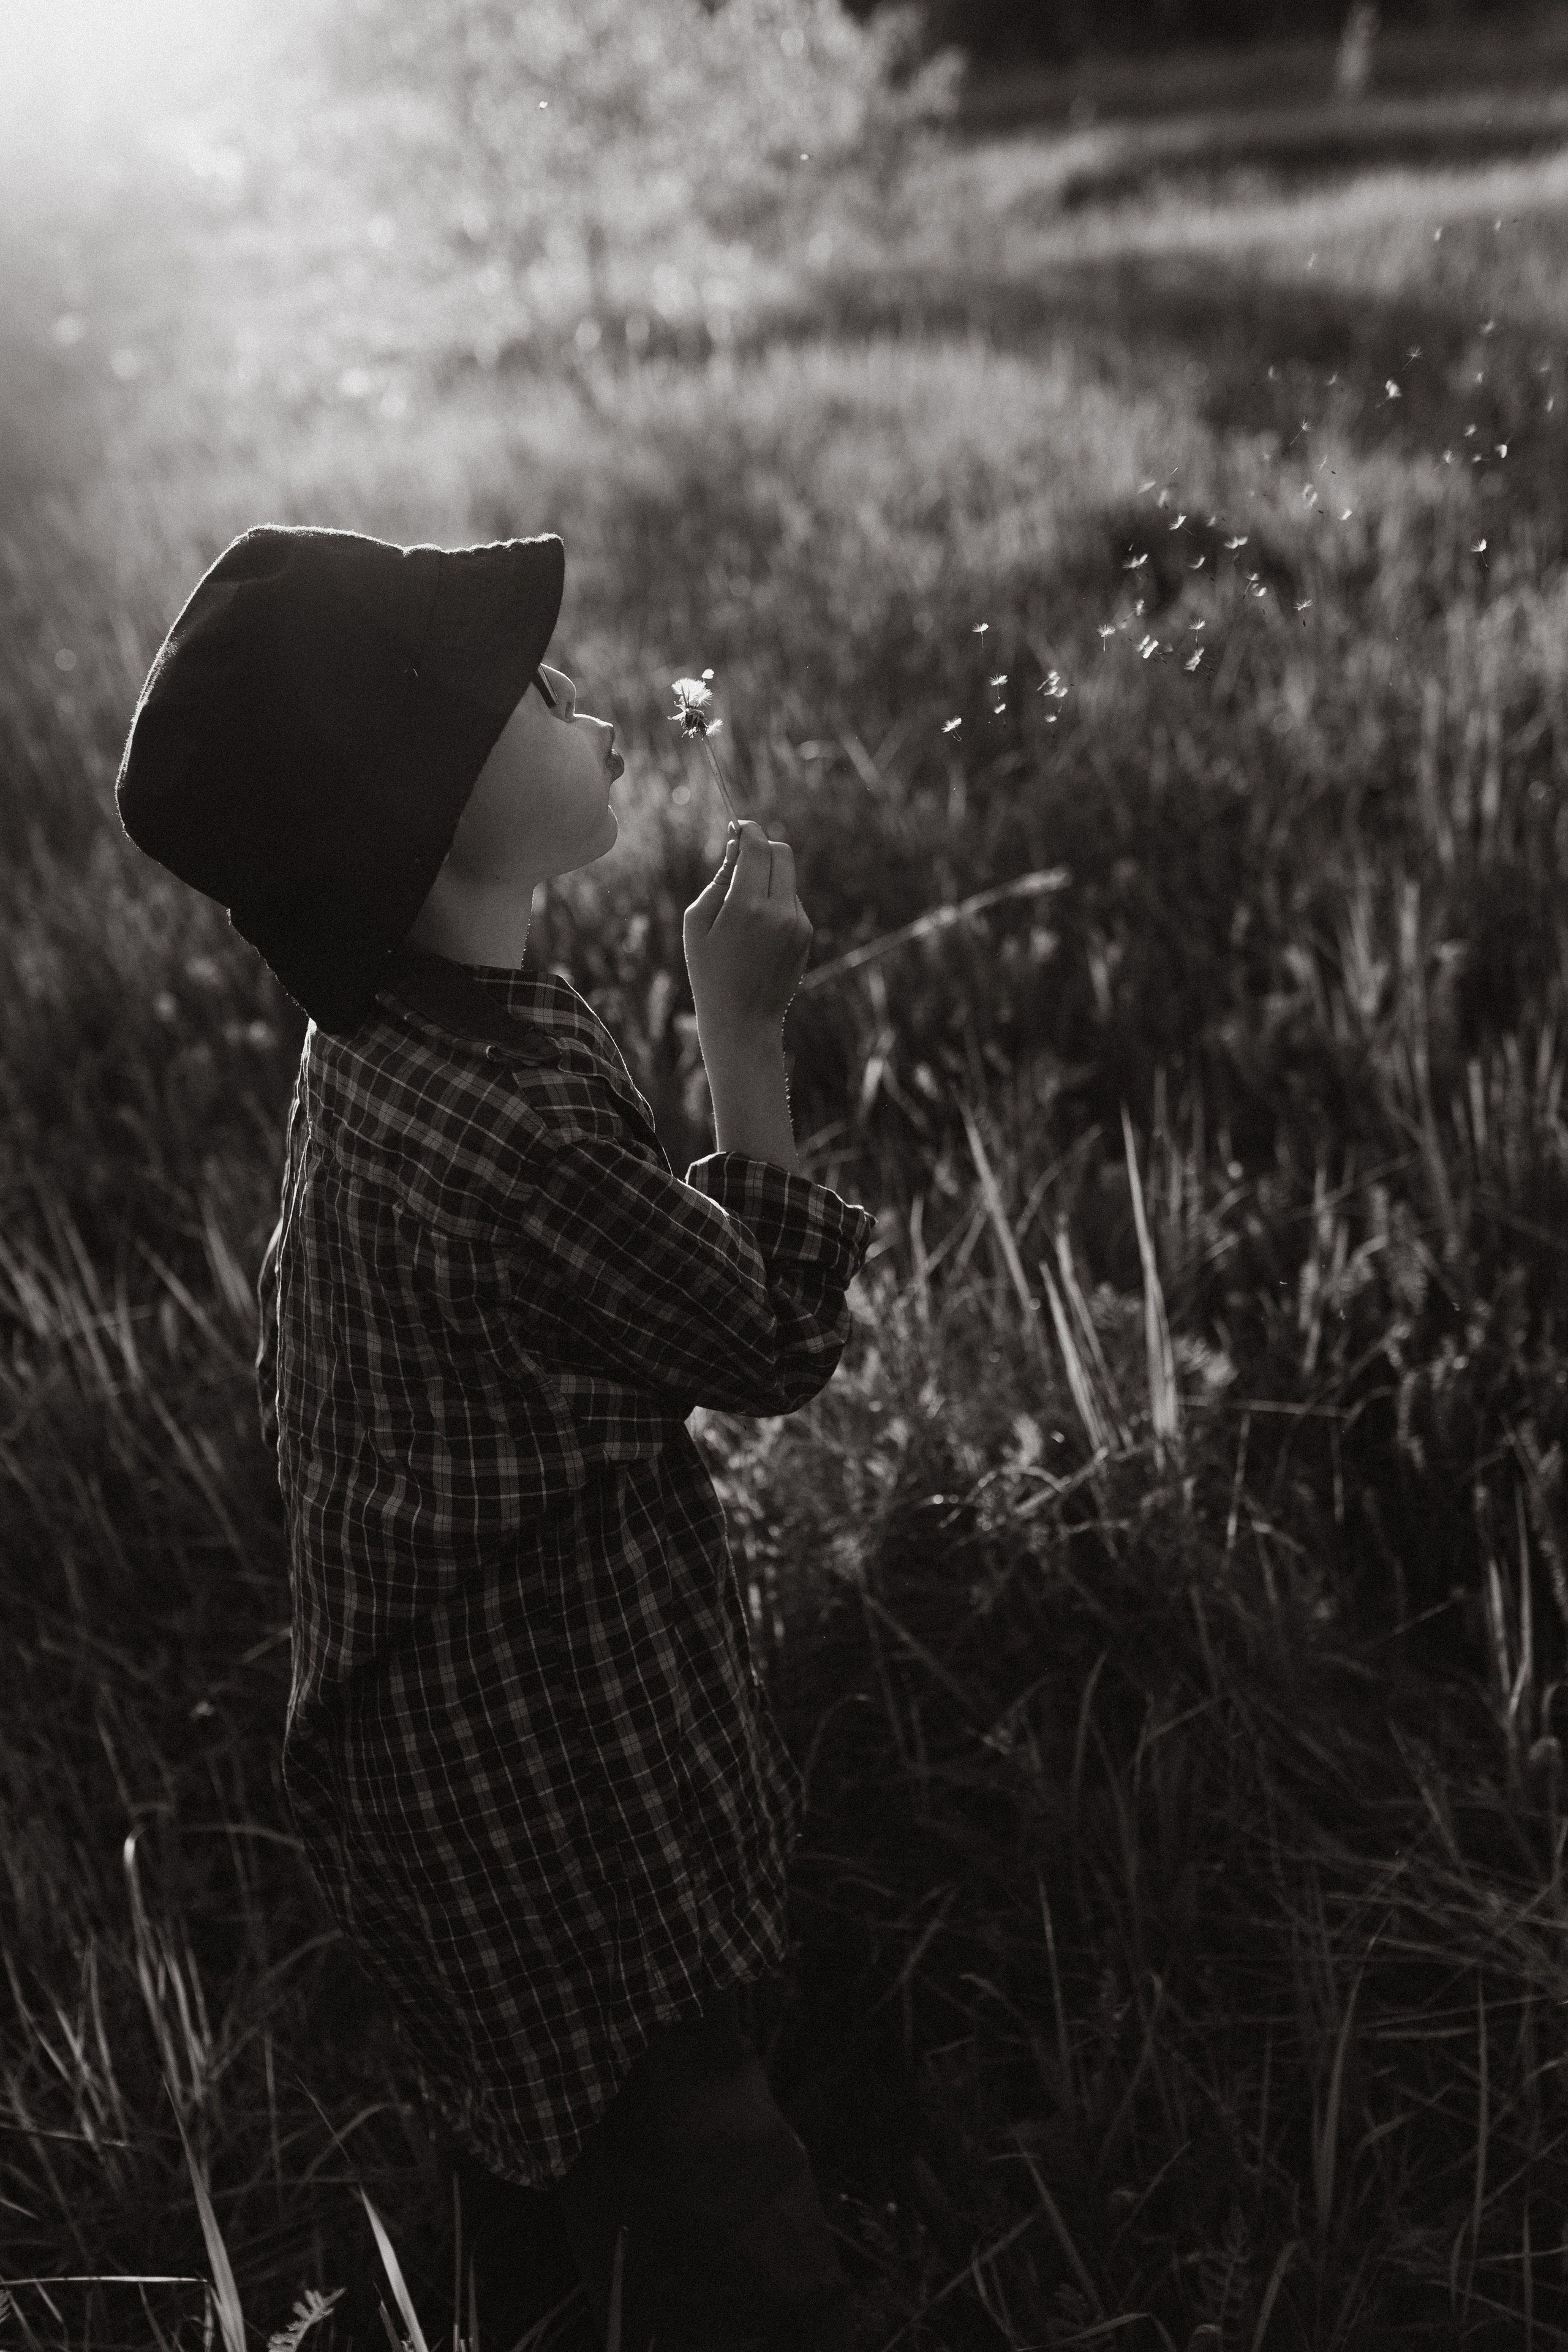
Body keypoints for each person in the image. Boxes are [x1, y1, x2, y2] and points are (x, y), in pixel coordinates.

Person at [115, 523, 874, 2350]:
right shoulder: (513, 1137)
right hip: (549, 1775)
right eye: (534, 690)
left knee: (562, 2108)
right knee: (685, 2133)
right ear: (427, 805)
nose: (590, 698)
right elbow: (765, 1335)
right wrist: (745, 1035)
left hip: (457, 1746)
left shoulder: (394, 1034)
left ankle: (537, 2267)